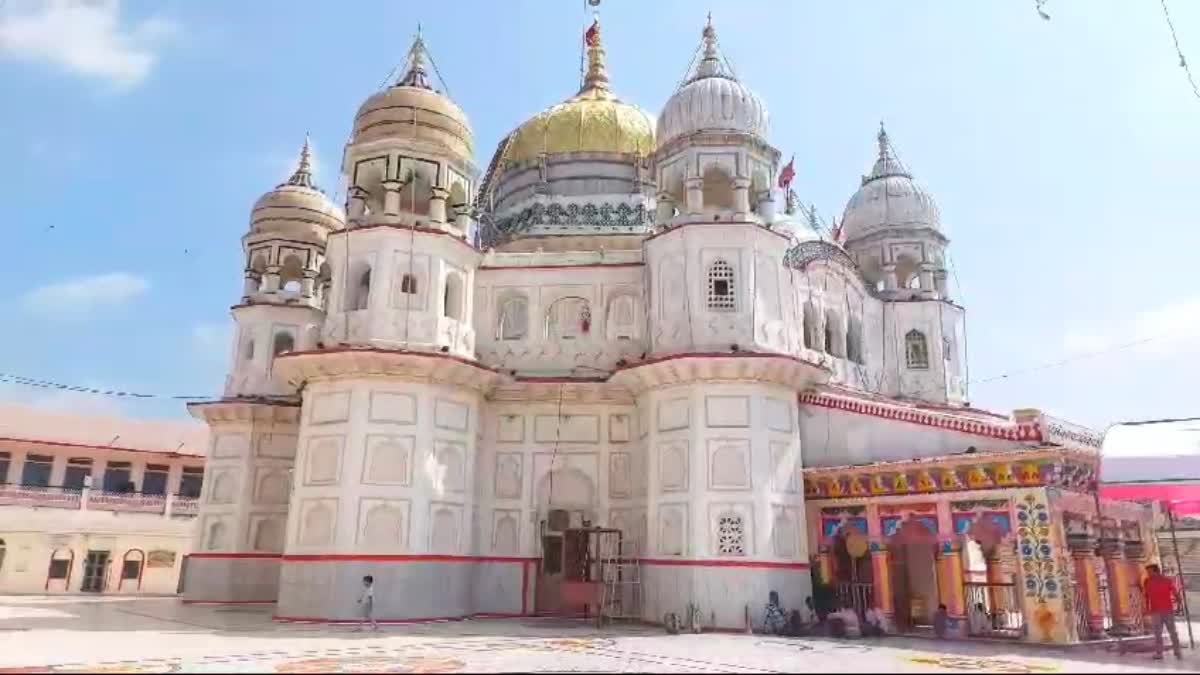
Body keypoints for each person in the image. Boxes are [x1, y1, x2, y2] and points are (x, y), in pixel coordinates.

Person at [1143, 564, 1183, 660]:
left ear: (1156, 571)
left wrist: (1179, 605)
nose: (1148, 573)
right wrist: (1146, 608)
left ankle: (1177, 651)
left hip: (1167, 610)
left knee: (1172, 631)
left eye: (1150, 571)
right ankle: (1159, 653)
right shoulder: (1147, 581)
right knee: (1157, 633)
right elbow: (1147, 596)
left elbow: (1175, 593)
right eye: (1147, 572)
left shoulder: (1167, 580)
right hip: (1155, 611)